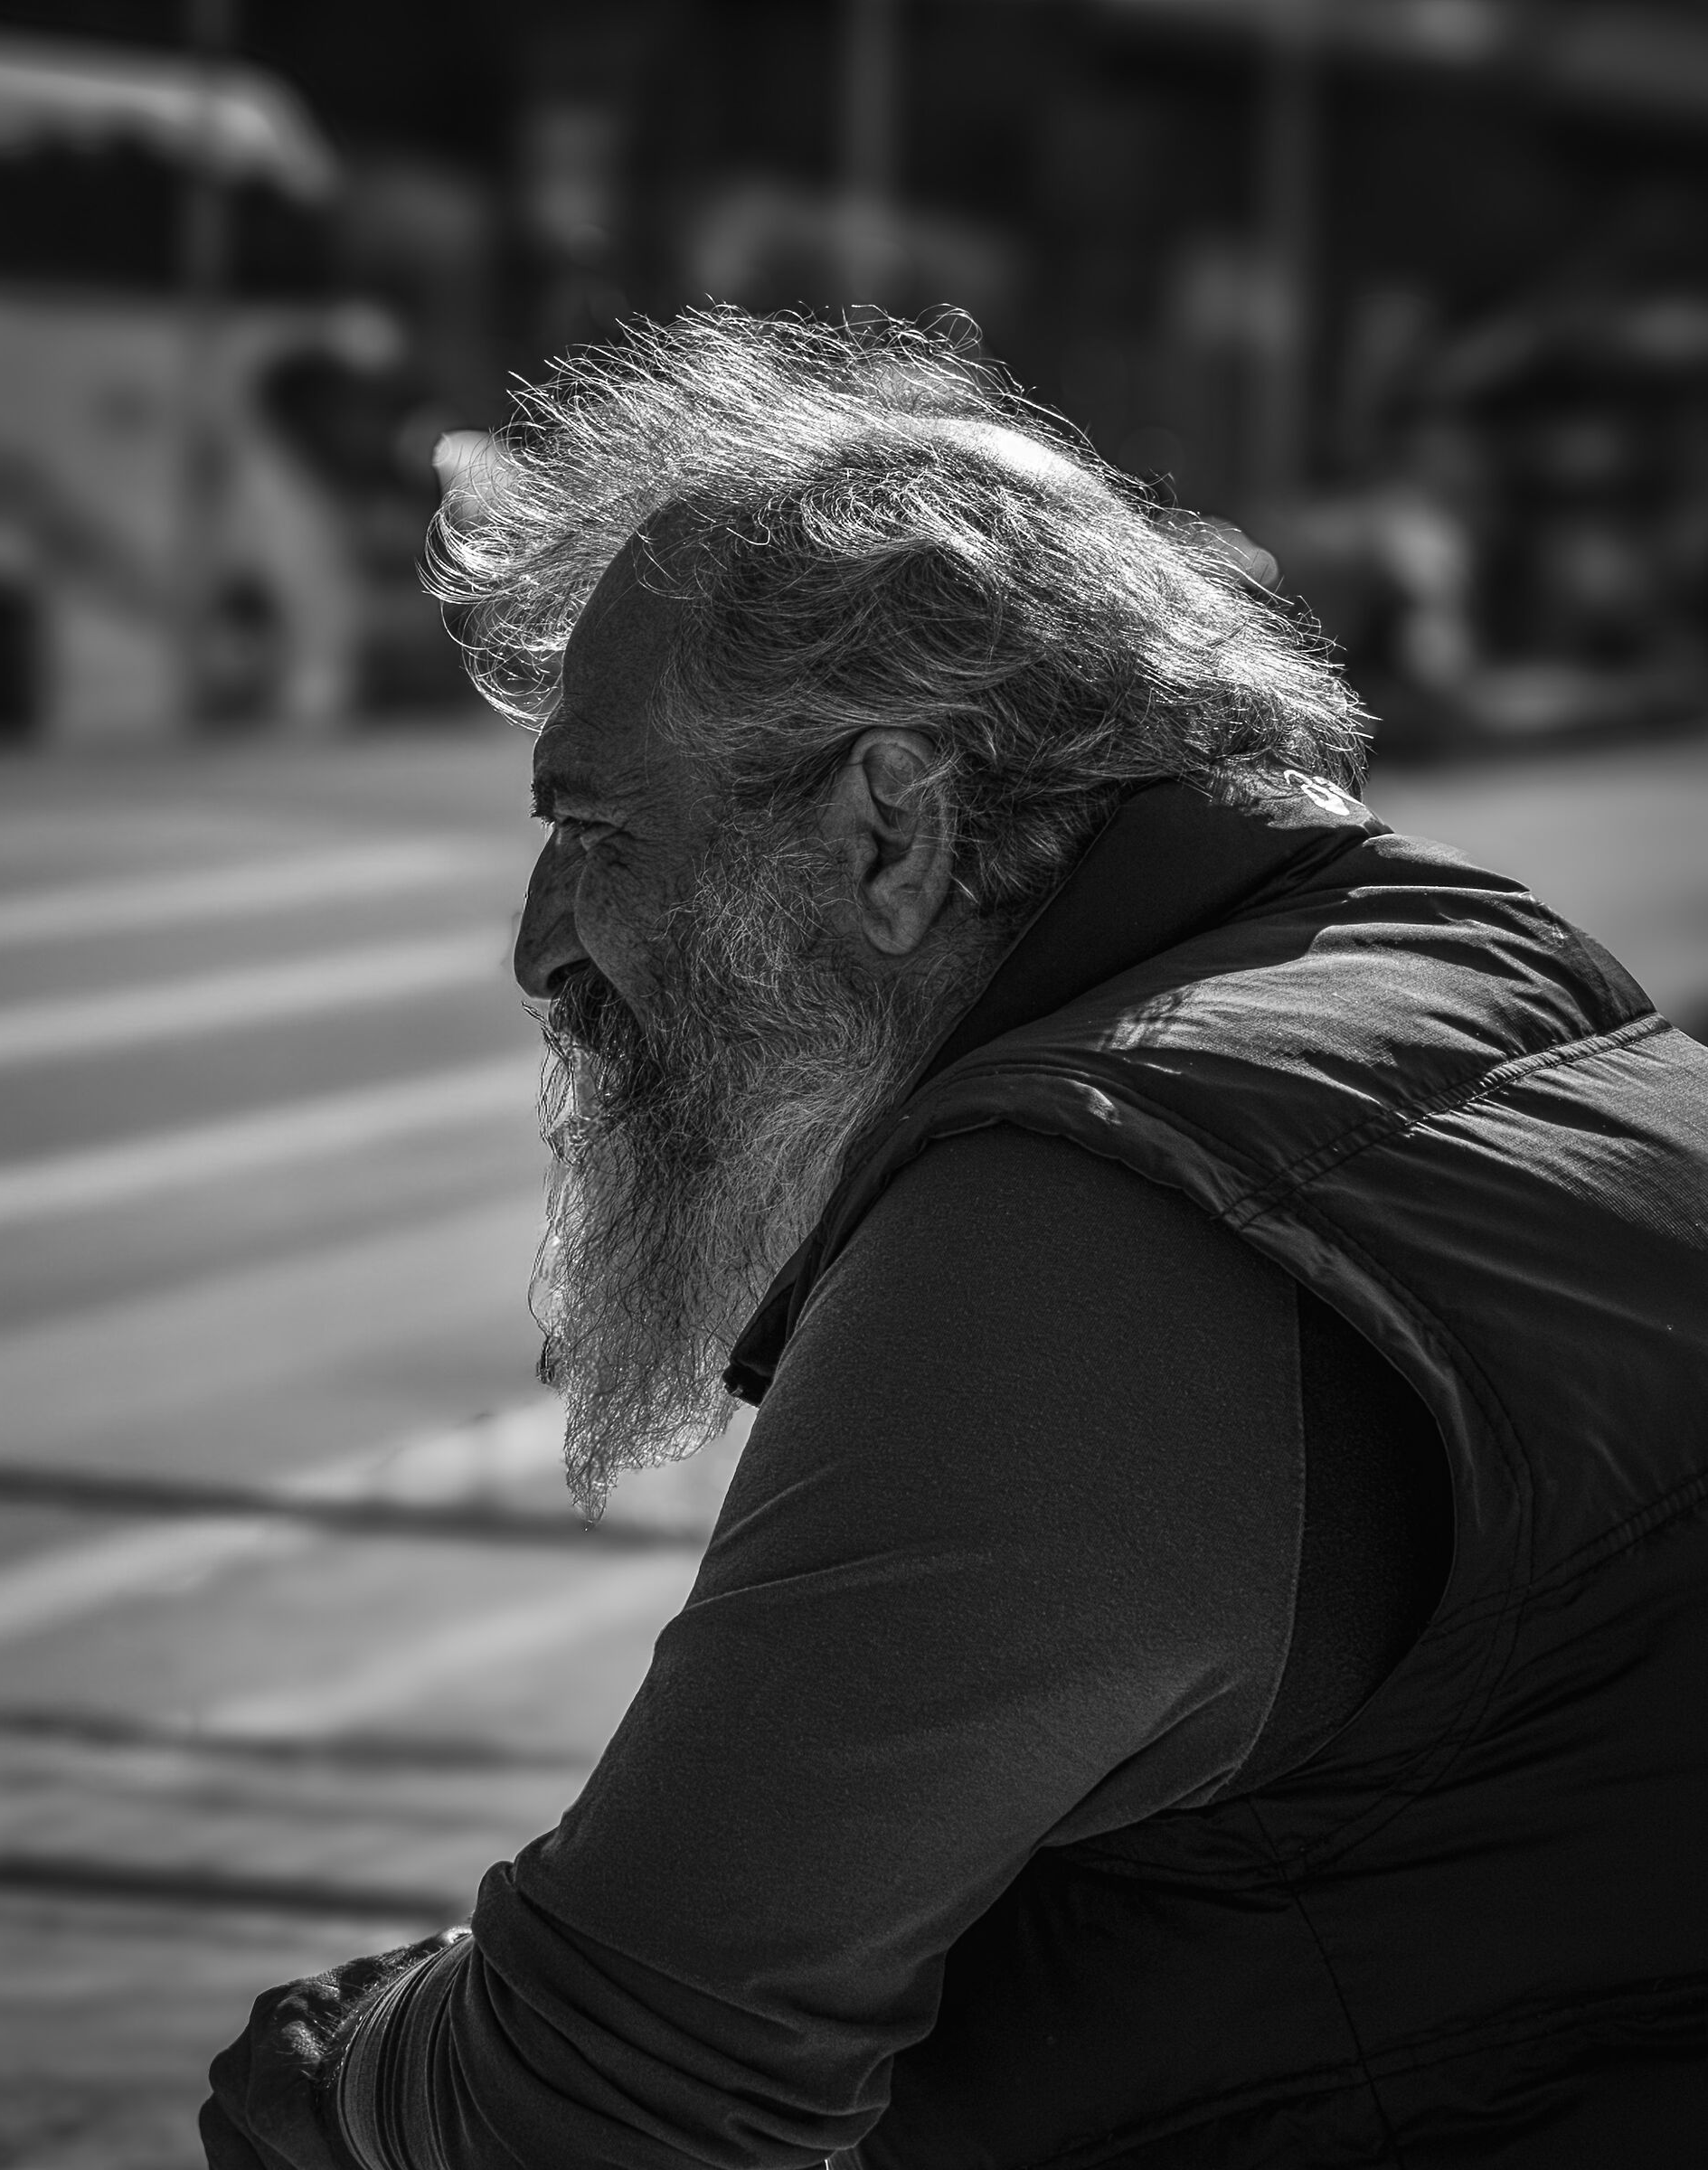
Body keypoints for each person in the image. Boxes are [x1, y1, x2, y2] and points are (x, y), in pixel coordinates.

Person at [203, 309, 1708, 2170]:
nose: (543, 947)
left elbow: (595, 2100)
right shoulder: (1486, 964)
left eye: (595, 831)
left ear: (893, 827)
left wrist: (328, 2063)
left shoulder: (1086, 1226)